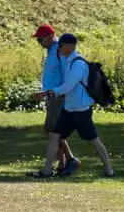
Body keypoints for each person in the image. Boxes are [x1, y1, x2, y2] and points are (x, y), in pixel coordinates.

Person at [43, 33, 113, 178]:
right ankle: (46, 171)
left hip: (81, 111)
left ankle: (109, 170)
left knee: (93, 140)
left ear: (70, 46)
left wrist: (48, 93)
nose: (59, 49)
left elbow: (68, 86)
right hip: (69, 109)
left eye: (61, 46)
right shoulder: (67, 61)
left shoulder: (78, 64)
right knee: (54, 135)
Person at [31, 23, 76, 177]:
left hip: (57, 96)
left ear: (50, 36)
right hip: (50, 95)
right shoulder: (52, 50)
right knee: (53, 131)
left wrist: (59, 92)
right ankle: (63, 164)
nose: (40, 43)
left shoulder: (59, 50)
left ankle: (70, 160)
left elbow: (67, 73)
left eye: (40, 40)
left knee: (53, 131)